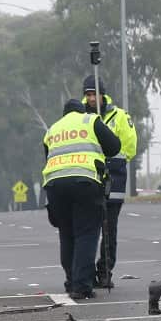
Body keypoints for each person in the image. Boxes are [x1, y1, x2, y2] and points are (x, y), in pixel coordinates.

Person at [42, 99, 121, 300]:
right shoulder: (91, 120)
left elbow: (47, 156)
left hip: (54, 185)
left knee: (66, 234)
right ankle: (82, 285)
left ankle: (71, 281)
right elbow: (114, 147)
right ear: (81, 110)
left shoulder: (53, 129)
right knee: (86, 234)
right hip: (85, 182)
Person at [82, 76, 137, 288]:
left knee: (109, 228)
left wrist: (111, 159)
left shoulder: (120, 116)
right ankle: (85, 273)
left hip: (113, 178)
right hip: (89, 177)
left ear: (102, 94)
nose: (91, 98)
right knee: (88, 228)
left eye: (94, 94)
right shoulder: (81, 117)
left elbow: (129, 147)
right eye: (87, 95)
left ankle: (105, 271)